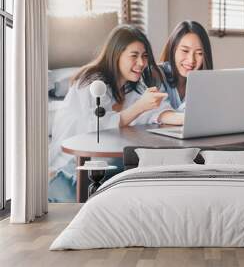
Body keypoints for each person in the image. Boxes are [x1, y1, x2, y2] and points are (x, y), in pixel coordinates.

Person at [49, 25, 182, 201]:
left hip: (105, 164)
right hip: (69, 166)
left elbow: (157, 111)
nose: (141, 63)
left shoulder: (133, 88)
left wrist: (188, 119)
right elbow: (98, 126)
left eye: (144, 56)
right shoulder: (91, 83)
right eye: (134, 56)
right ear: (116, 55)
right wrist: (140, 107)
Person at [159, 20, 213, 112]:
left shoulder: (205, 83)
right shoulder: (157, 74)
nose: (191, 60)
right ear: (173, 49)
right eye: (185, 51)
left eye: (199, 53)